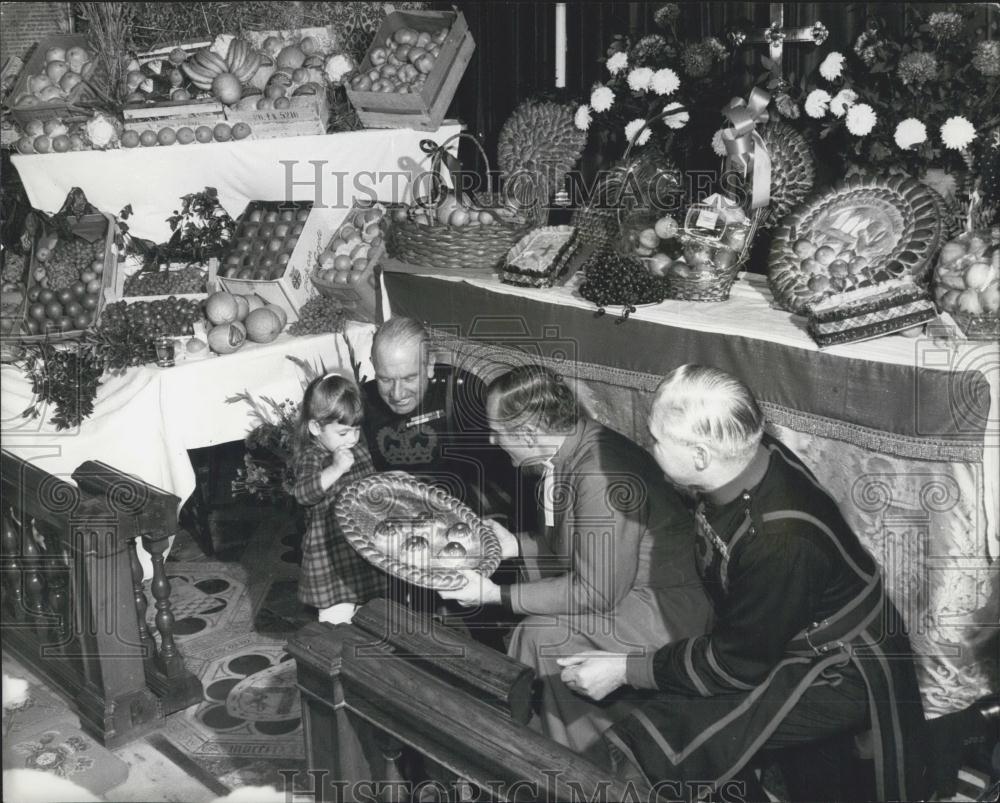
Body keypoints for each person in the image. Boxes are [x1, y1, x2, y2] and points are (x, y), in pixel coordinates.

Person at [558, 365, 928, 802]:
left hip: (836, 666)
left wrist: (625, 669)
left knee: (661, 744)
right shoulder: (749, 460)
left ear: (700, 456)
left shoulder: (779, 540)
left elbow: (735, 665)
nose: (647, 445)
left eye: (655, 439)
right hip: (778, 637)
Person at [439, 365, 711, 755]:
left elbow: (597, 592)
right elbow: (573, 544)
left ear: (530, 434)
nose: (492, 439)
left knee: (543, 638)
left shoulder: (600, 474)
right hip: (627, 589)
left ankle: (588, 765)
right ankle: (546, 749)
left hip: (665, 606)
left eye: (498, 431)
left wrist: (496, 594)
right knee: (535, 634)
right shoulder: (569, 449)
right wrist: (512, 545)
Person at [292, 373, 386, 625]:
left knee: (373, 610)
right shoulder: (312, 456)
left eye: (356, 430)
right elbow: (302, 494)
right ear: (315, 428)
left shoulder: (358, 449)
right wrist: (334, 469)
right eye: (343, 433)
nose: (352, 439)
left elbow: (370, 484)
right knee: (335, 620)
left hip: (363, 544)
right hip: (331, 552)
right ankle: (331, 657)